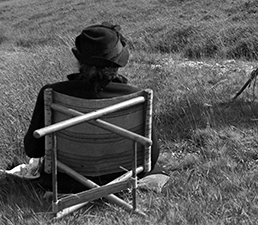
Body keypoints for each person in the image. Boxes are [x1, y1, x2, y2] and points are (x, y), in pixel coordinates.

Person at [23, 23, 166, 191]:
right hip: (123, 178)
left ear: (80, 59)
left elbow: (33, 149)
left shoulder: (52, 93)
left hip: (66, 181)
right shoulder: (137, 97)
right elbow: (152, 154)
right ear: (118, 63)